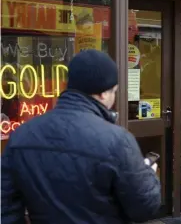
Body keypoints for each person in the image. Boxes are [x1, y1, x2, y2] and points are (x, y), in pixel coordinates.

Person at [1, 50, 161, 224]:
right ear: (103, 93)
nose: (113, 98)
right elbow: (145, 207)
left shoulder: (21, 137)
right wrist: (148, 174)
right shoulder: (118, 141)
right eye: (114, 91)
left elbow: (5, 207)